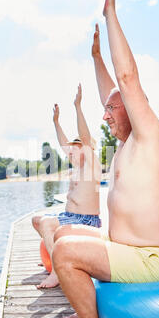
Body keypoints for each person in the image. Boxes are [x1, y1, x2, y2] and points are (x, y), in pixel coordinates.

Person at [48, 0, 159, 318]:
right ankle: (90, 308)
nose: (104, 117)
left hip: (152, 258)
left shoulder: (148, 137)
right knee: (66, 230)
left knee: (66, 251)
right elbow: (114, 92)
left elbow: (126, 82)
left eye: (110, 111)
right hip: (127, 248)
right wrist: (94, 59)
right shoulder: (125, 143)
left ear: (133, 109)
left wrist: (110, 15)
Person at [32, 83, 102, 289]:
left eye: (76, 147)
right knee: (37, 220)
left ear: (87, 150)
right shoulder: (77, 166)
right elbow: (64, 144)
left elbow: (86, 139)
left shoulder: (92, 165)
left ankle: (56, 270)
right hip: (68, 217)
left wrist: (77, 106)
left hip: (85, 220)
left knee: (46, 223)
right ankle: (54, 258)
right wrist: (56, 122)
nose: (70, 151)